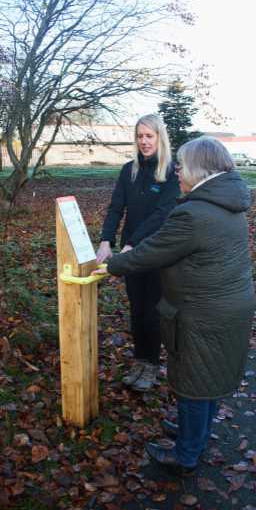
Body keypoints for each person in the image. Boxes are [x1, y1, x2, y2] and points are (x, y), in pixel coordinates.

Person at [95, 136, 255, 474]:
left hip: (203, 314)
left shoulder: (195, 214)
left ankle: (186, 455)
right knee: (210, 377)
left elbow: (153, 251)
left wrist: (109, 266)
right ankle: (195, 433)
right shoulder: (227, 203)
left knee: (195, 381)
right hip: (229, 307)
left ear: (199, 170)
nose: (178, 173)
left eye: (182, 166)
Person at [96, 114, 179, 392]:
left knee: (152, 309)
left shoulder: (171, 172)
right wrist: (107, 240)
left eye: (149, 136)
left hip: (156, 250)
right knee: (136, 308)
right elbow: (115, 207)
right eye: (140, 136)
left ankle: (152, 365)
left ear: (159, 138)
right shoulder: (128, 170)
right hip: (130, 251)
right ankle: (139, 360)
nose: (144, 142)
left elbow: (162, 214)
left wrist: (132, 243)